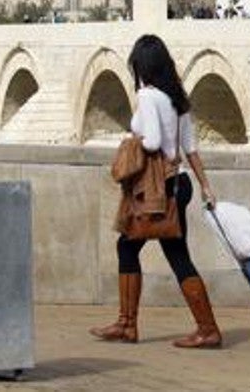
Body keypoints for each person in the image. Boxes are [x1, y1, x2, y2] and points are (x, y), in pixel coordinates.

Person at [89, 34, 222, 348]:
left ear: (142, 67)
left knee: (129, 247)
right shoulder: (177, 99)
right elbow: (190, 148)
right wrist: (206, 186)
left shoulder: (148, 96)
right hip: (179, 184)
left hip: (156, 189)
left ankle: (130, 325)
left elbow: (151, 142)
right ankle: (203, 328)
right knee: (174, 254)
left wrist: (130, 141)